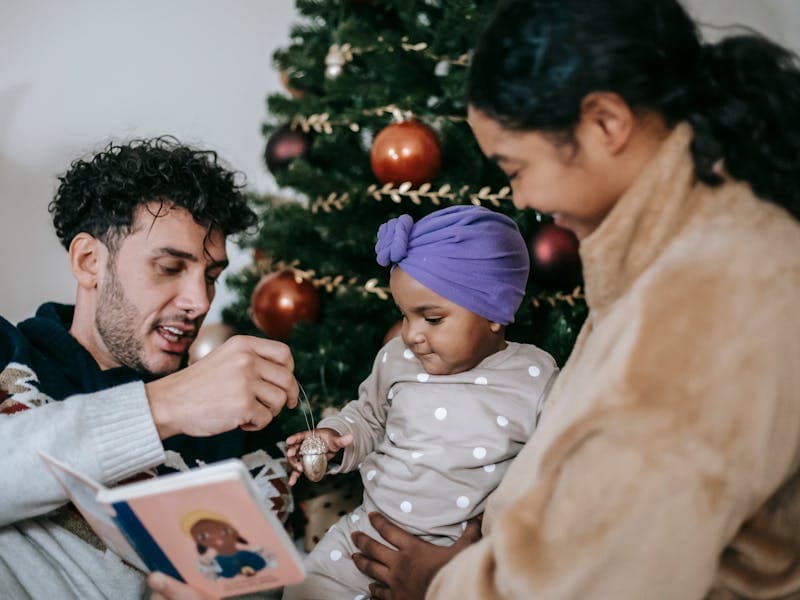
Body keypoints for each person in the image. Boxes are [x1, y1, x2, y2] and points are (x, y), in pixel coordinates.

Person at [345, 1, 800, 599]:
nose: (519, 197)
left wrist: (442, 584)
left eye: (515, 167)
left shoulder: (713, 293)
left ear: (606, 123)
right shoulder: (671, 250)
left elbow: (607, 571)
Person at [0, 136, 299, 599]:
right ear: (89, 262)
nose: (200, 302)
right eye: (170, 267)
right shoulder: (8, 354)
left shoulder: (241, 426)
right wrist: (164, 407)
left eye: (211, 277)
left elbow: (267, 580)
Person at [280, 205, 558, 599]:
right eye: (405, 315)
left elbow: (551, 473)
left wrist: (494, 546)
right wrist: (335, 436)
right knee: (305, 589)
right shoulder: (397, 358)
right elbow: (369, 417)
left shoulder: (534, 377)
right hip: (370, 531)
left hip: (463, 555)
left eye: (432, 318)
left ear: (494, 311)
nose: (411, 334)